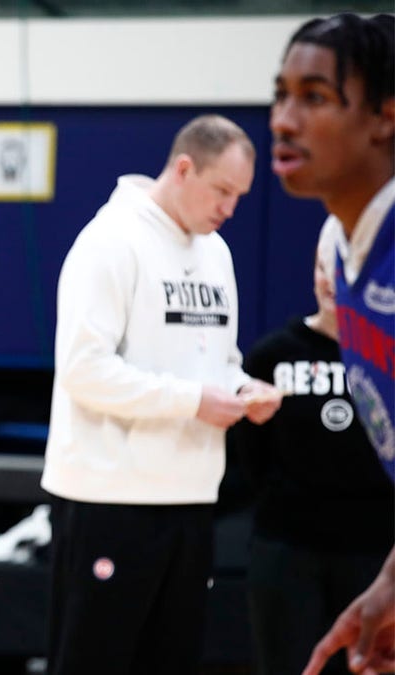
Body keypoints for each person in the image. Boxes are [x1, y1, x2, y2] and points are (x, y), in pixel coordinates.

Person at [40, 114, 283, 675]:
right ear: (183, 168)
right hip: (110, 499)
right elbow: (83, 370)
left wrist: (243, 388)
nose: (229, 208)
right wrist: (193, 400)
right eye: (222, 189)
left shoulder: (215, 252)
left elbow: (218, 359)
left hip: (191, 498)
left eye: (240, 196)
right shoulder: (110, 240)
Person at [268, 13, 395, 675]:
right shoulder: (345, 254)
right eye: (280, 94)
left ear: (384, 117)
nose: (284, 119)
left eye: (314, 97)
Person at [232, 221, 394, 675]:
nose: (329, 279)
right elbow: (250, 459)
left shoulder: (385, 353)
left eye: (339, 268)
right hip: (288, 552)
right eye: (322, 267)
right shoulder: (271, 357)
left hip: (374, 553)